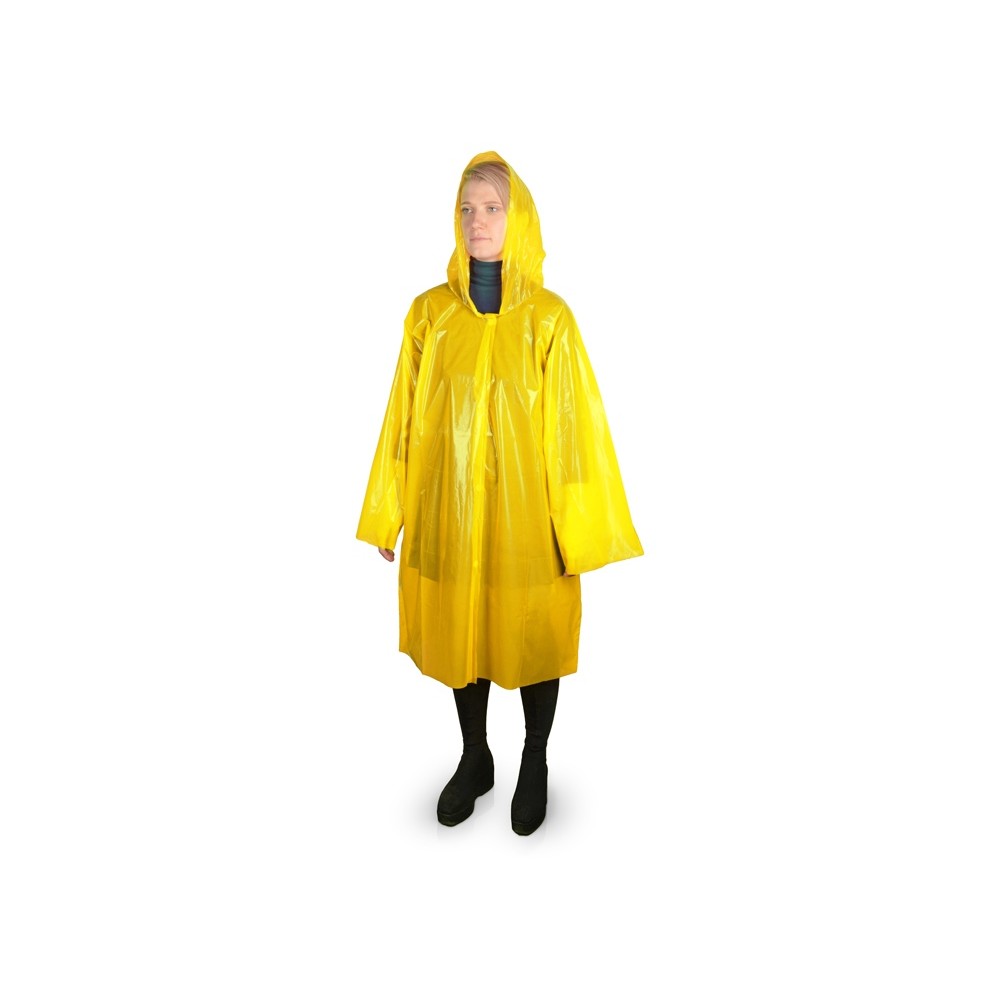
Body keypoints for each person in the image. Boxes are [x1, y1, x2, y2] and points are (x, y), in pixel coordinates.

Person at [357, 151, 642, 836]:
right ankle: (476, 756)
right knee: (465, 632)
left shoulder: (549, 319)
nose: (476, 220)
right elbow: (402, 418)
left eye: (491, 207)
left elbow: (575, 430)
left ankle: (534, 757)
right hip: (449, 514)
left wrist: (579, 533)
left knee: (532, 634)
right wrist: (388, 513)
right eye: (466, 208)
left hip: (527, 520)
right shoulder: (429, 315)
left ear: (520, 220)